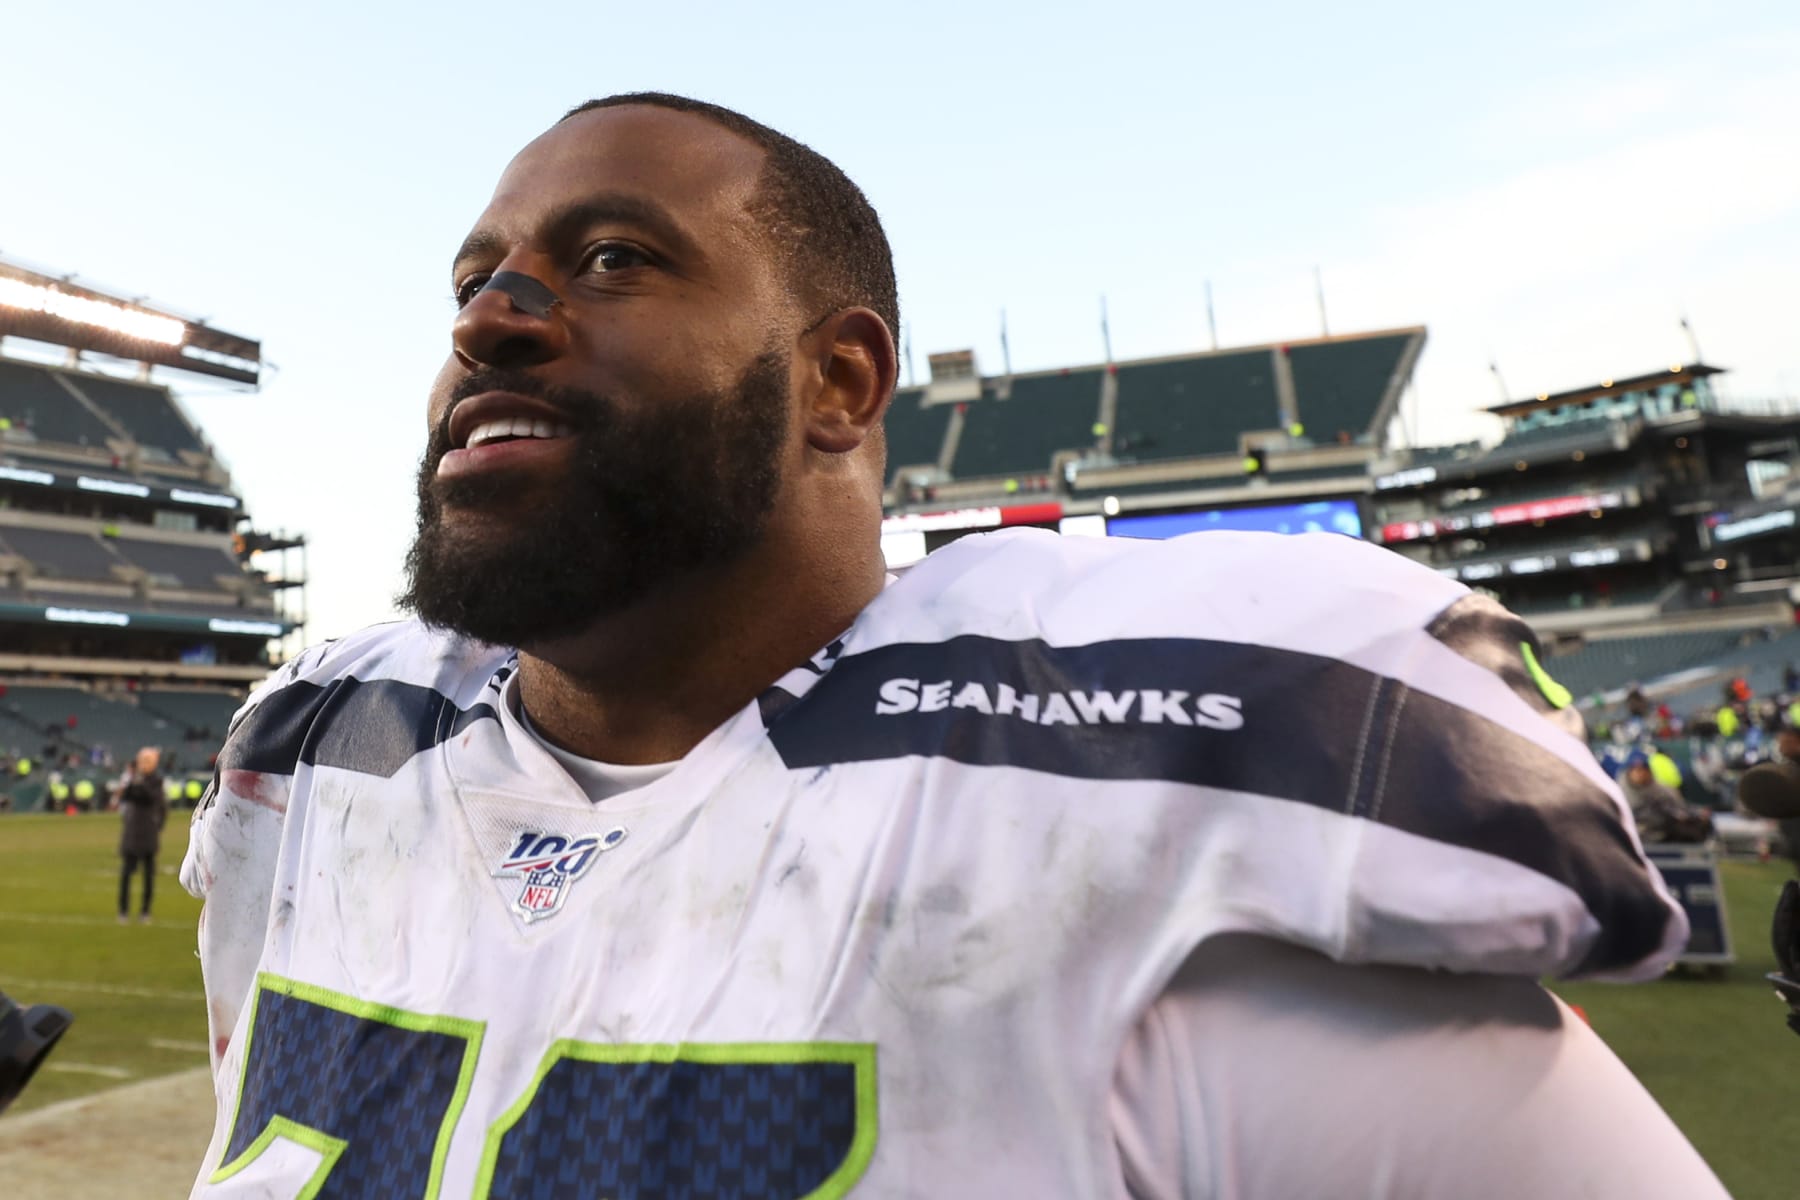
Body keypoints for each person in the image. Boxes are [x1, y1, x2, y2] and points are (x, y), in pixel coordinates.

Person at [181, 94, 1725, 1197]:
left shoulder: (1142, 836)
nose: (490, 319)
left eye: (611, 260)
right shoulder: (325, 761)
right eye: (472, 281)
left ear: (839, 385)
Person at [117, 747, 166, 924]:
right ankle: (123, 910)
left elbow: (152, 799)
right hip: (132, 831)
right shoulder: (134, 780)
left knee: (148, 874)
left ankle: (145, 911)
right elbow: (125, 797)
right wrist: (133, 781)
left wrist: (140, 782)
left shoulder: (155, 781)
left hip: (147, 832)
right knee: (126, 873)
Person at [1620, 751, 1708, 844]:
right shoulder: (1618, 791)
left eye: (1643, 769)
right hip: (1631, 836)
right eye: (1635, 769)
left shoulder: (1660, 789)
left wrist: (1695, 812)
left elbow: (1679, 809)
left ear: (1648, 771)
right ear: (1629, 771)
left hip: (1660, 833)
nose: (1639, 773)